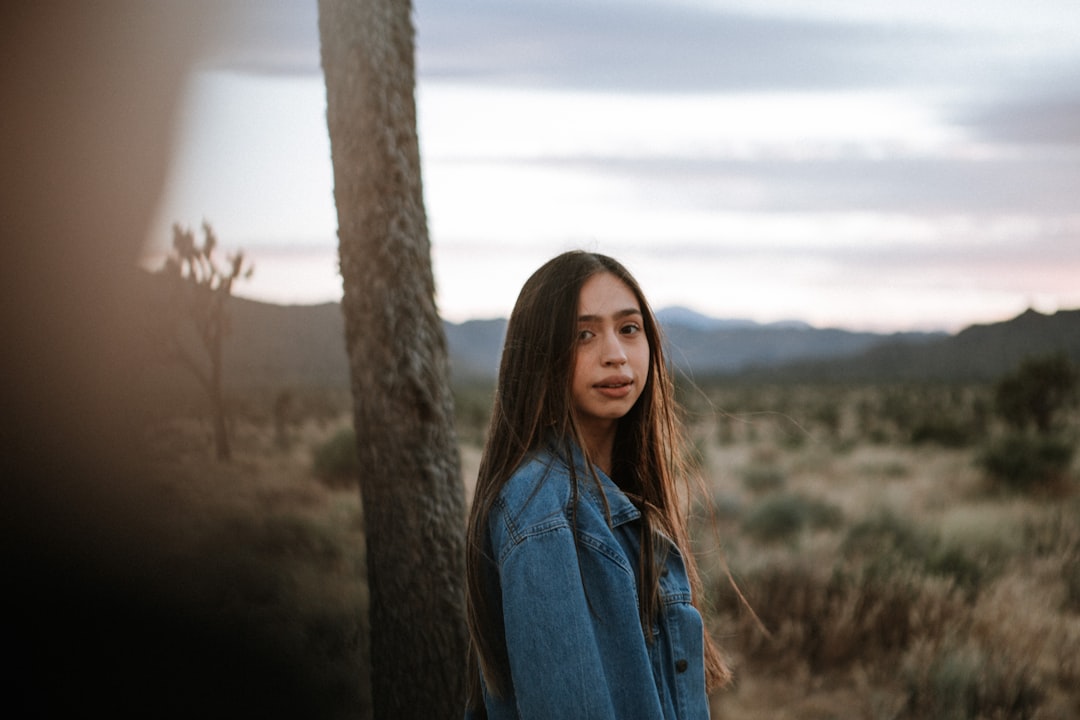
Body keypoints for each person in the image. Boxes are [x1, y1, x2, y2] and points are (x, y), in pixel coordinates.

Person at [464, 251, 731, 719]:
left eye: (629, 329)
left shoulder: (617, 490)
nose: (615, 354)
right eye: (583, 335)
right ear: (540, 356)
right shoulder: (542, 512)